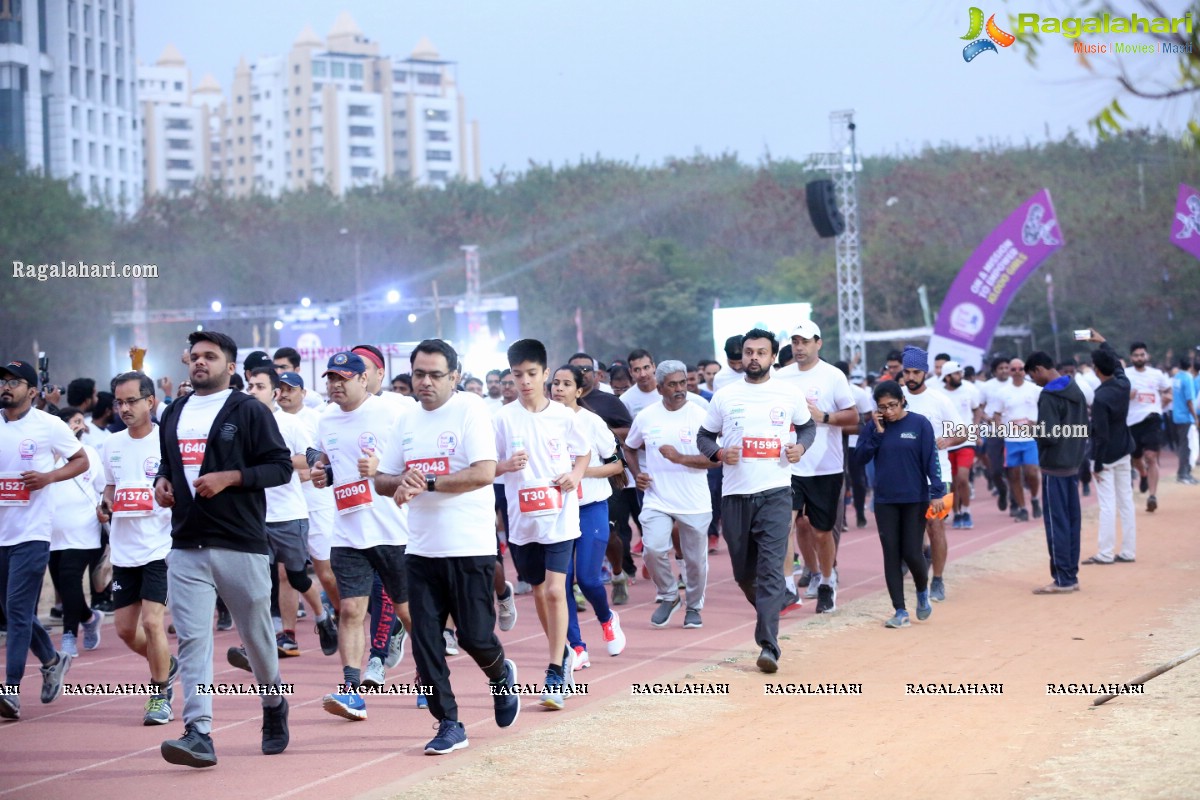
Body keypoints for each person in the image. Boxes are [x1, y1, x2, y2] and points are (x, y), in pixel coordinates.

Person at [154, 331, 293, 767]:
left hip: (240, 542)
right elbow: (169, 461)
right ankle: (199, 732)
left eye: (210, 357)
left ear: (230, 368)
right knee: (194, 639)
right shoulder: (174, 411)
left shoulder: (248, 410)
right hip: (185, 545)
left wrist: (230, 477)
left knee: (256, 637)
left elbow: (281, 467)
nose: (199, 363)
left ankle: (273, 704)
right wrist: (162, 482)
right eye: (194, 356)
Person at [376, 339, 519, 755]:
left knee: (475, 636)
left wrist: (429, 483)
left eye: (435, 375)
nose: (425, 382)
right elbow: (383, 479)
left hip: (469, 545)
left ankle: (499, 674)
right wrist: (400, 483)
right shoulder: (405, 420)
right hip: (420, 550)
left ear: (454, 376)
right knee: (425, 641)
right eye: (419, 373)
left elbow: (482, 473)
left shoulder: (470, 409)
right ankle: (448, 723)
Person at [697, 329, 815, 673]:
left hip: (777, 492)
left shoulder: (788, 392)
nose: (753, 358)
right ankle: (771, 605)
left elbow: (807, 428)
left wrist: (801, 447)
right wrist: (719, 452)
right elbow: (705, 436)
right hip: (735, 495)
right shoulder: (726, 394)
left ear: (773, 356)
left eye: (761, 352)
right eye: (749, 352)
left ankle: (769, 646)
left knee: (769, 570)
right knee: (743, 573)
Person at [309, 352, 414, 720]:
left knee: (407, 610)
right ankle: (352, 692)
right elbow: (327, 460)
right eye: (330, 379)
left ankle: (430, 673)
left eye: (343, 378)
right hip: (348, 532)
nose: (335, 385)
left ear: (364, 380)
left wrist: (381, 468)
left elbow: (413, 463)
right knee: (351, 610)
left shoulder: (392, 412)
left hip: (392, 530)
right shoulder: (325, 420)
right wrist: (323, 472)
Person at [494, 339, 590, 709]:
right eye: (518, 375)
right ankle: (562, 652)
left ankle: (554, 669)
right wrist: (505, 467)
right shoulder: (502, 419)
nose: (525, 382)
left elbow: (583, 452)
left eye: (532, 374)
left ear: (546, 373)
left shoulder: (565, 416)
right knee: (537, 591)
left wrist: (575, 475)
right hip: (522, 521)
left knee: (555, 591)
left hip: (560, 516)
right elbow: (489, 465)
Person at [0, 360, 86, 721]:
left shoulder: (49, 426)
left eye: (14, 382)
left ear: (32, 391)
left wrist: (49, 477)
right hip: (1, 534)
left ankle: (10, 690)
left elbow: (80, 461)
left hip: (32, 534)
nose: (6, 387)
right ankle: (52, 660)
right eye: (2, 381)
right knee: (9, 610)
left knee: (18, 612)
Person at [99, 371, 179, 725]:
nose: (124, 408)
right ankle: (168, 664)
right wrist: (106, 504)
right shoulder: (111, 444)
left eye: (131, 400)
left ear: (150, 401)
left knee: (153, 621)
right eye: (119, 402)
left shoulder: (167, 440)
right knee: (126, 630)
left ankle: (159, 694)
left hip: (160, 547)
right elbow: (110, 489)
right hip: (124, 550)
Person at [244, 367, 337, 658]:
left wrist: (275, 460)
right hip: (256, 515)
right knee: (262, 582)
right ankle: (268, 641)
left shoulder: (290, 423)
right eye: (250, 386)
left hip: (289, 513)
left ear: (274, 393)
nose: (253, 391)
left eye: (259, 386)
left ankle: (323, 617)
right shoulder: (243, 422)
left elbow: (311, 457)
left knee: (296, 577)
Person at [624, 361, 716, 629]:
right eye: (673, 384)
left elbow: (715, 459)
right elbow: (629, 447)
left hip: (694, 501)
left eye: (683, 383)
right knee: (652, 549)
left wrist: (679, 458)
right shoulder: (646, 417)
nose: (679, 389)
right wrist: (636, 473)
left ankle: (695, 606)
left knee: (695, 562)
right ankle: (669, 595)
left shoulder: (701, 415)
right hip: (657, 498)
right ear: (660, 387)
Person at [774, 322, 857, 612]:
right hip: (789, 465)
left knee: (822, 532)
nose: (799, 347)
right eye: (795, 341)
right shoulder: (780, 377)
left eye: (805, 341)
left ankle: (827, 580)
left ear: (818, 343)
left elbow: (853, 416)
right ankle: (786, 589)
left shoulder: (833, 376)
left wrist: (823, 416)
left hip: (825, 467)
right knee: (783, 527)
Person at [549, 365, 626, 667]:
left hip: (592, 506)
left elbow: (617, 466)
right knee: (561, 582)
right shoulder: (543, 423)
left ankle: (607, 619)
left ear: (579, 391)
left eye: (566, 384)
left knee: (589, 578)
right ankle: (577, 647)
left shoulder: (592, 422)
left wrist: (581, 473)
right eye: (555, 383)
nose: (558, 389)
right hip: (556, 510)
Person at [854, 381, 943, 628]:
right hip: (885, 500)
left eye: (893, 405)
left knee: (912, 552)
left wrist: (937, 492)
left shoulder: (919, 424)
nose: (889, 411)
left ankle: (922, 590)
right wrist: (877, 432)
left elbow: (931, 460)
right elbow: (859, 457)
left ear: (902, 400)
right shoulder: (874, 427)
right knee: (891, 554)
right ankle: (900, 611)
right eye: (883, 407)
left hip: (915, 498)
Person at [899, 347, 965, 603]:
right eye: (907, 372)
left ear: (925, 373)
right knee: (912, 531)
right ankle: (920, 563)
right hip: (905, 477)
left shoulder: (940, 401)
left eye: (916, 372)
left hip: (938, 476)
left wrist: (947, 441)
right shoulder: (897, 398)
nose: (911, 377)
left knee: (936, 527)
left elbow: (963, 432)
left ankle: (937, 579)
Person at [1025, 351, 1088, 594]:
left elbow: (1049, 435)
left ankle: (1062, 578)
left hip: (1054, 467)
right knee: (1072, 523)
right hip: (1073, 463)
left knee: (1056, 524)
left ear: (1039, 369)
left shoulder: (1049, 396)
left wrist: (1033, 428)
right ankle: (1070, 574)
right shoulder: (1076, 389)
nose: (1035, 381)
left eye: (1034, 376)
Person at [48, 407, 107, 657]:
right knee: (62, 584)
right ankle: (89, 617)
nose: (80, 426)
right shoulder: (48, 453)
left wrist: (104, 512)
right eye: (74, 422)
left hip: (83, 529)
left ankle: (69, 635)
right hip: (52, 531)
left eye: (82, 422)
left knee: (71, 579)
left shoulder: (91, 454)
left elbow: (102, 488)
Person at [1082, 332, 1137, 565]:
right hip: (1124, 449)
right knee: (1126, 501)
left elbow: (1101, 435)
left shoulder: (1101, 397)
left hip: (1107, 455)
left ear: (1096, 370)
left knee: (1107, 505)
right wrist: (1104, 341)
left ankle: (1105, 553)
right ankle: (1128, 551)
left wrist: (1098, 463)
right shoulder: (1124, 384)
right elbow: (1117, 364)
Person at [992, 357, 1042, 522]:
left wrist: (1035, 423)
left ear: (1025, 370)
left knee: (1031, 472)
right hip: (1011, 439)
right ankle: (1022, 508)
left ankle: (1034, 498)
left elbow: (1045, 410)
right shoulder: (1003, 392)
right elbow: (996, 415)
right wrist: (1000, 428)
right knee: (1014, 475)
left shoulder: (1034, 389)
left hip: (1030, 438)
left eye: (1020, 369)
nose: (1017, 372)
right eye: (1013, 369)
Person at [1125, 341, 1172, 512]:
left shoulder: (1156, 374)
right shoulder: (1125, 374)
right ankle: (1143, 474)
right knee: (1136, 457)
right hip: (1132, 421)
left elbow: (1168, 390)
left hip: (1152, 418)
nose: (1139, 358)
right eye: (1136, 355)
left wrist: (1167, 398)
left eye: (1142, 355)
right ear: (1131, 357)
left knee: (1151, 456)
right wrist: (1128, 395)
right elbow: (1118, 394)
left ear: (1147, 356)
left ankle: (1152, 496)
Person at [939, 361, 984, 529]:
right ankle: (957, 513)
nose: (960, 376)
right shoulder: (939, 394)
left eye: (960, 373)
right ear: (947, 377)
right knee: (951, 483)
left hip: (966, 440)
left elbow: (977, 410)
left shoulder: (970, 390)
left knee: (963, 478)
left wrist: (975, 429)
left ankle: (966, 510)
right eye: (956, 374)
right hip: (946, 442)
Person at [1170, 357, 1198, 484]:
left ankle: (1183, 472)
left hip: (1177, 415)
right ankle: (1183, 473)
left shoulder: (1176, 377)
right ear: (1190, 366)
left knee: (1183, 444)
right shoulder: (1188, 378)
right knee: (1186, 446)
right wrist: (1195, 417)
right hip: (1186, 417)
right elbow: (1189, 400)